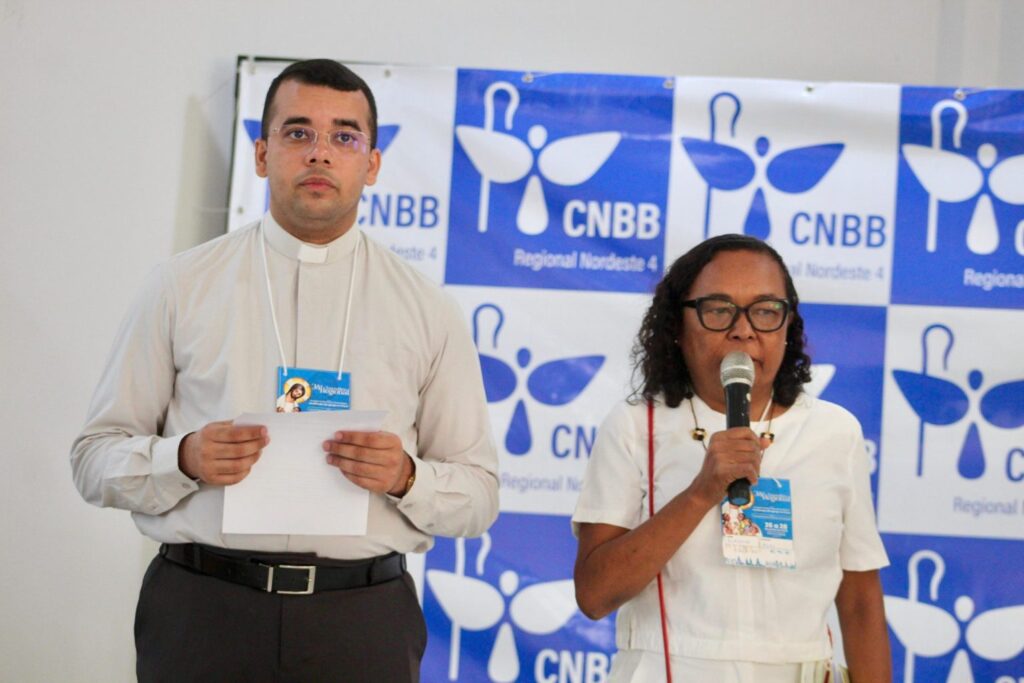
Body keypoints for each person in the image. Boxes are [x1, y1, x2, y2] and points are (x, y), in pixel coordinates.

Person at [71, 59, 499, 682]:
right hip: (204, 608)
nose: (320, 152)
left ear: (372, 164)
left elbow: (480, 496)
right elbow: (93, 459)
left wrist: (408, 477)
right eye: (298, 132)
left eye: (344, 137)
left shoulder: (428, 309)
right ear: (262, 153)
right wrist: (181, 458)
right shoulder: (180, 287)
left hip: (362, 619)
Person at [572, 234, 890, 683]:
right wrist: (701, 492)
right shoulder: (635, 426)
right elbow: (594, 595)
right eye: (719, 309)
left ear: (788, 326)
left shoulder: (835, 432)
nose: (744, 330)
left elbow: (859, 601)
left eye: (766, 311)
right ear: (677, 326)